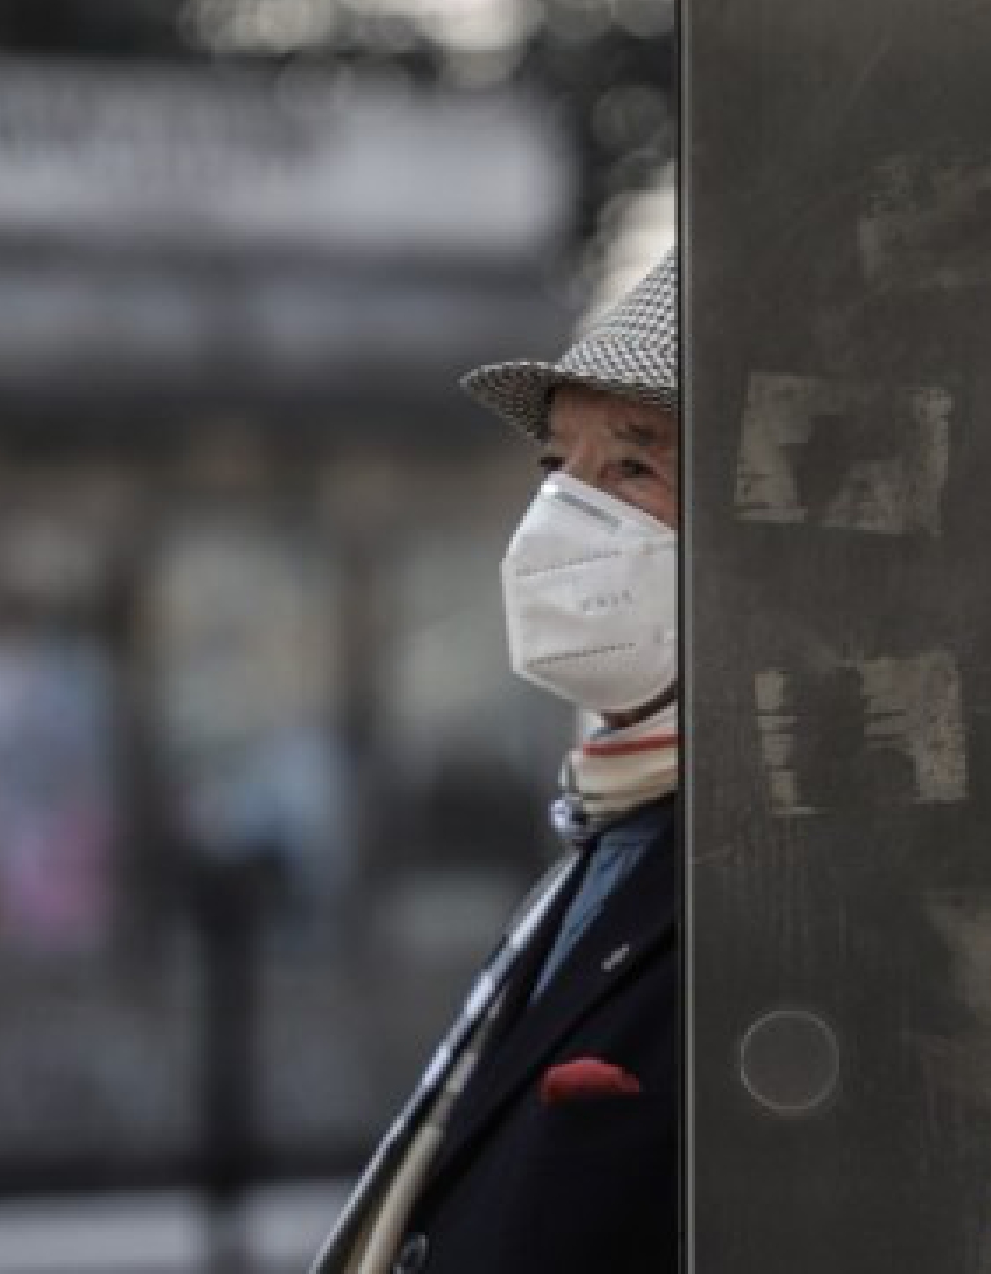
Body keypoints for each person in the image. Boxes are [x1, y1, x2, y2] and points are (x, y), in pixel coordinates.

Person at [312, 251, 680, 1274]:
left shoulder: (770, 872)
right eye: (557, 465)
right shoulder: (607, 830)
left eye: (633, 467)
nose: (560, 517)